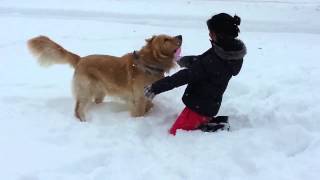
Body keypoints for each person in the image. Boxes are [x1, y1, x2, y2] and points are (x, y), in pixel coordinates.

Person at [144, 13, 247, 135]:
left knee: (176, 132)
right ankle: (207, 121)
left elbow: (182, 77)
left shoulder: (214, 60)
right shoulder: (227, 51)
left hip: (198, 107)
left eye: (211, 32)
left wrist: (155, 88)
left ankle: (212, 127)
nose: (209, 34)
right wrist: (188, 60)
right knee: (193, 121)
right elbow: (205, 62)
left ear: (217, 34)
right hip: (209, 102)